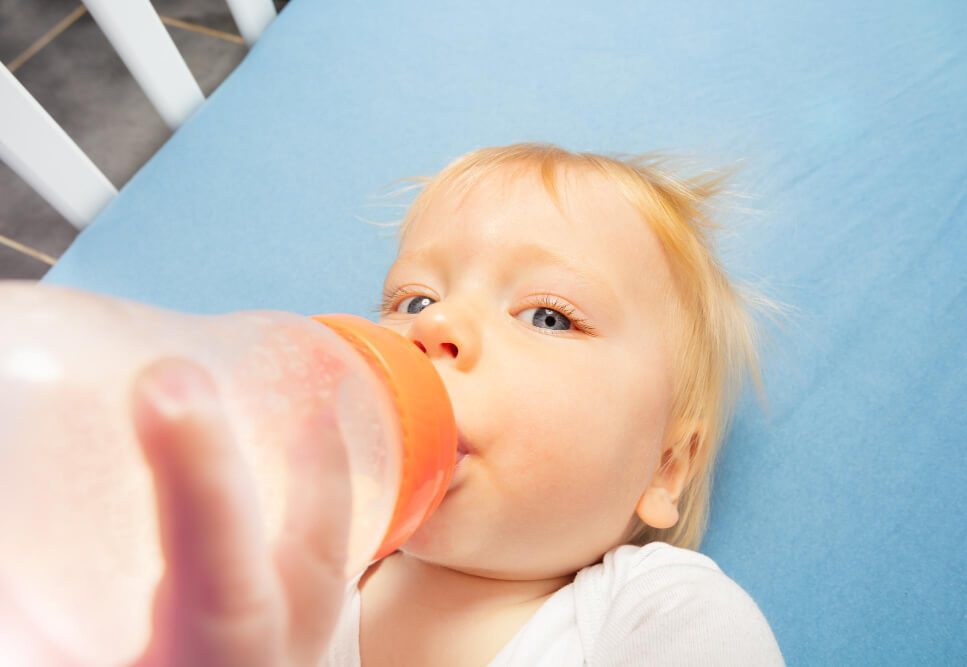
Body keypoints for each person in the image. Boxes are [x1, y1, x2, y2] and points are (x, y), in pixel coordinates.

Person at [5, 143, 784, 666]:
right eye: (412, 297)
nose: (434, 326)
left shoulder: (656, 611)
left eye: (547, 314)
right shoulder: (304, 577)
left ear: (666, 463)